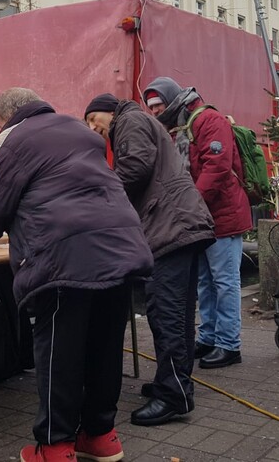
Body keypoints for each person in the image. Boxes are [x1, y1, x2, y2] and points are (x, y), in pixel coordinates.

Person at [0, 87, 153, 462]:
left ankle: (54, 447)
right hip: (120, 248)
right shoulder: (80, 131)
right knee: (103, 345)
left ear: (5, 119)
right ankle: (100, 436)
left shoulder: (13, 139)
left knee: (59, 354)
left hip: (63, 260)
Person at [84, 93, 215, 427]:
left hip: (169, 227)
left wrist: (100, 197)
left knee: (166, 312)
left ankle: (173, 395)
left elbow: (136, 167)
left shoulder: (127, 120)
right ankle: (172, 383)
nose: (91, 129)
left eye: (91, 121)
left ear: (104, 113)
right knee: (180, 313)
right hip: (181, 223)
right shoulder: (137, 121)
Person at [144, 76, 251, 369]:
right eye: (150, 107)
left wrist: (190, 203)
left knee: (225, 281)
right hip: (201, 219)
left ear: (172, 99)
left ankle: (229, 345)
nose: (154, 112)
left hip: (221, 217)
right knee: (205, 281)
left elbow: (217, 166)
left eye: (158, 105)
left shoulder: (208, 120)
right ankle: (209, 337)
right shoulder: (180, 126)